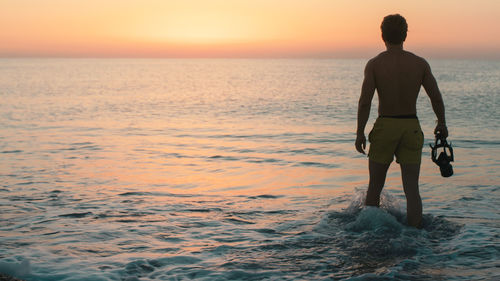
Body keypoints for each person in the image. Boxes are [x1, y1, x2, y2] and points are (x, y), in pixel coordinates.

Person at [355, 14, 448, 228]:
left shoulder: (375, 64)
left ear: (382, 36)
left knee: (375, 188)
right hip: (411, 127)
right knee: (412, 190)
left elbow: (364, 102)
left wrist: (360, 132)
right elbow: (436, 97)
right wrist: (441, 123)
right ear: (405, 35)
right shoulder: (419, 64)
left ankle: (370, 234)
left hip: (385, 126)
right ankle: (414, 236)